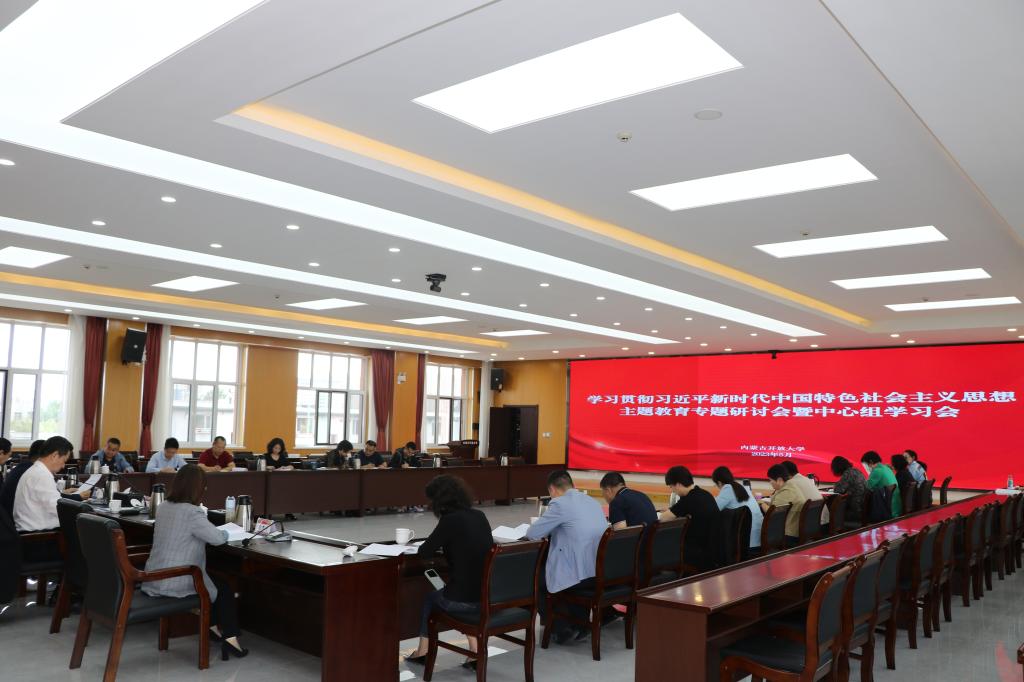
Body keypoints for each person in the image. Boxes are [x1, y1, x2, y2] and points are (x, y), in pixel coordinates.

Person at [143, 465, 248, 659]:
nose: (205, 489)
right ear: (197, 488)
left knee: (213, 582)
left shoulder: (164, 506)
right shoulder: (192, 512)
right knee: (223, 588)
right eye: (204, 486)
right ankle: (231, 639)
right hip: (177, 578)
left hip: (154, 575)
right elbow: (217, 538)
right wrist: (229, 531)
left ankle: (212, 628)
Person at [405, 475, 493, 669]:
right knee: (458, 590)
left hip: (463, 602)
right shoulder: (479, 515)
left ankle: (423, 652)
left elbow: (425, 551)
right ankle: (475, 652)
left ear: (439, 501)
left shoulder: (450, 520)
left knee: (431, 599)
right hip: (486, 596)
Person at [526, 470, 608, 644]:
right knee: (565, 566)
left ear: (552, 490)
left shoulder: (560, 503)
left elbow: (533, 534)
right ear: (572, 485)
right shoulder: (591, 501)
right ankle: (580, 624)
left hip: (580, 576)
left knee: (535, 580)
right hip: (598, 571)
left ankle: (560, 628)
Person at [13, 437, 91, 562]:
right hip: (40, 541)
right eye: (64, 460)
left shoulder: (35, 470)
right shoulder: (41, 475)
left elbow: (52, 502)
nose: (64, 465)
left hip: (31, 536)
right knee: (89, 539)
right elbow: (58, 509)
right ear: (55, 455)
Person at [659, 465, 722, 570]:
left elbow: (663, 518)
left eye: (671, 487)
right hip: (714, 550)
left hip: (698, 553)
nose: (672, 490)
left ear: (678, 484)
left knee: (663, 544)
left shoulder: (688, 499)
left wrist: (668, 512)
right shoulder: (705, 494)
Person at [710, 466, 763, 552]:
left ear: (719, 483)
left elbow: (713, 509)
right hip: (758, 538)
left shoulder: (728, 488)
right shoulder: (741, 487)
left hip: (747, 542)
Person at [759, 464, 806, 545]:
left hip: (788, 534)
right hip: (794, 528)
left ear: (779, 480)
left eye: (770, 480)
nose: (770, 483)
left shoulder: (786, 491)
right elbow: (779, 504)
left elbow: (771, 513)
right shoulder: (790, 486)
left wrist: (761, 503)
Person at [0, 440, 44, 516]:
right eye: (9, 455)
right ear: (1, 453)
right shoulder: (32, 471)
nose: (8, 459)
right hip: (10, 517)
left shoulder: (22, 467)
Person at [781, 461, 829, 526]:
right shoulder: (807, 480)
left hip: (810, 526)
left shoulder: (791, 483)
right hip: (824, 523)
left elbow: (780, 505)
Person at [861, 451, 902, 518]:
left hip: (887, 509)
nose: (865, 467)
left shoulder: (877, 471)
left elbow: (866, 487)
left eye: (865, 464)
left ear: (871, 462)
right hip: (895, 507)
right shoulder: (886, 468)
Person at [830, 456, 867, 524]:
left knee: (832, 507)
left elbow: (838, 490)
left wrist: (836, 485)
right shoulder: (856, 470)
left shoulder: (848, 473)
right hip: (862, 507)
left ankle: (832, 527)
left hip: (855, 509)